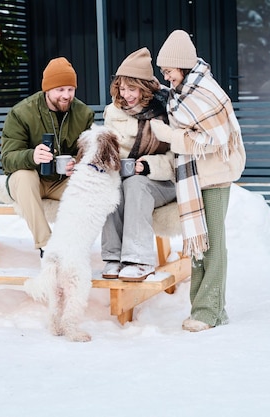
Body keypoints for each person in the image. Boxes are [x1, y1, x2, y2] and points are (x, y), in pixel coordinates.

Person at [150, 30, 246, 332]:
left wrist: (170, 137)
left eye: (169, 71)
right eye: (163, 72)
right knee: (199, 244)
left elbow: (215, 139)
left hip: (214, 176)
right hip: (194, 177)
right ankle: (209, 310)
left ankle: (207, 311)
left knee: (213, 244)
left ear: (183, 66)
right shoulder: (183, 93)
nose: (167, 77)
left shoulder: (206, 92)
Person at [0, 57, 95, 258]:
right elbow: (7, 160)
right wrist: (31, 155)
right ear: (47, 89)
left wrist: (77, 164)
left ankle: (73, 246)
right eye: (60, 90)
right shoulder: (21, 113)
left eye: (70, 89)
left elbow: (89, 155)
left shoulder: (83, 114)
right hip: (29, 181)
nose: (66, 96)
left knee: (88, 188)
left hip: (61, 181)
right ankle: (47, 246)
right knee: (24, 176)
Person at [100, 47, 176, 282]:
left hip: (162, 181)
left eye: (132, 89)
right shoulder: (113, 111)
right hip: (125, 176)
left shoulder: (167, 109)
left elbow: (179, 157)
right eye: (122, 88)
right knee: (111, 184)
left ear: (145, 88)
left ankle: (138, 259)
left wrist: (149, 165)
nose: (126, 95)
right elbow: (110, 146)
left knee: (135, 184)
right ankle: (113, 256)